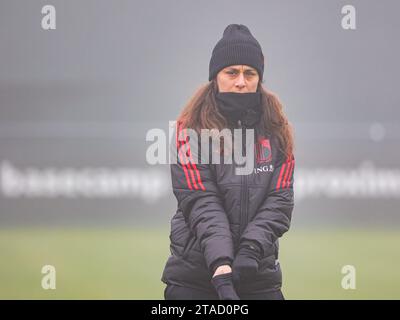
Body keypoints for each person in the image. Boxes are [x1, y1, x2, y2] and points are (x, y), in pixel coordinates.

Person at [161, 24, 295, 300]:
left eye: (250, 73)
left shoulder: (278, 129)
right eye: (231, 72)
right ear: (216, 77)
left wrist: (250, 250)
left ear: (259, 78)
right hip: (195, 277)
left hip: (258, 273)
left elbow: (279, 200)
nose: (241, 81)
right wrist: (221, 264)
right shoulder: (190, 129)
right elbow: (201, 200)